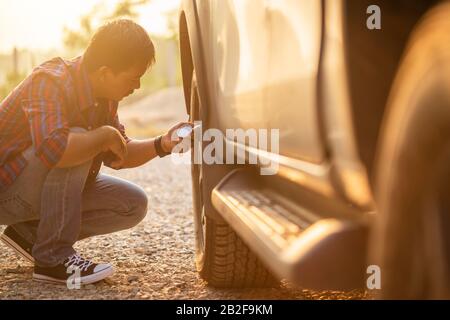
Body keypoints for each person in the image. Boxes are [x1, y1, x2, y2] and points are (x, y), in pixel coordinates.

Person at [0, 19, 191, 285]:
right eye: (132, 78)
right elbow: (57, 151)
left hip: (29, 191)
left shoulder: (104, 96)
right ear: (104, 72)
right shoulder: (49, 81)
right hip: (6, 190)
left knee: (132, 204)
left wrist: (162, 144)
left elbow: (120, 153)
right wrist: (101, 136)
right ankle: (52, 258)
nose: (136, 86)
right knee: (78, 139)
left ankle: (30, 234)